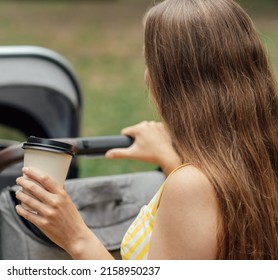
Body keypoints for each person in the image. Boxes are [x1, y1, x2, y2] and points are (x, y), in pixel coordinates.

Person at [15, 0, 278, 260]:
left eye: (148, 61)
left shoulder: (190, 186)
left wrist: (75, 237)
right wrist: (171, 161)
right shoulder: (262, 156)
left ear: (166, 80)